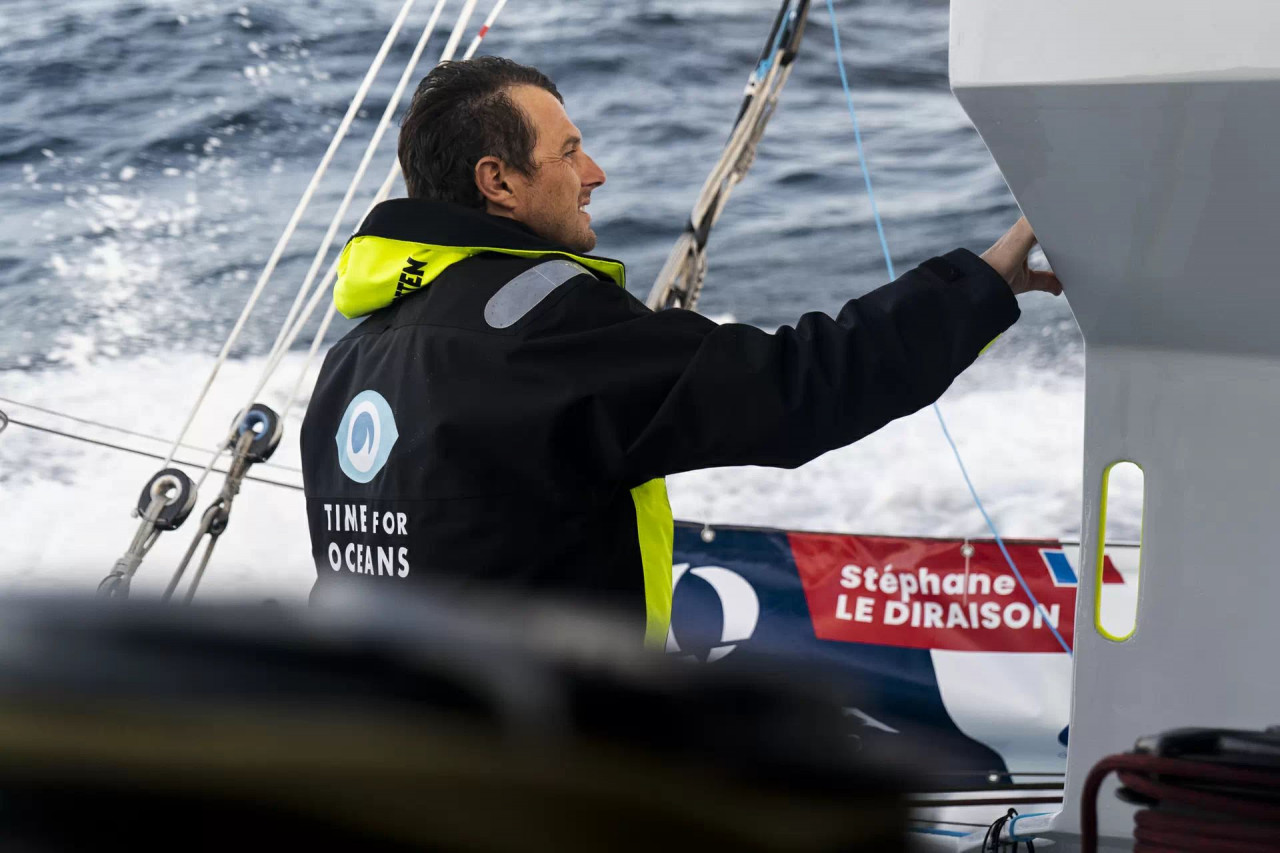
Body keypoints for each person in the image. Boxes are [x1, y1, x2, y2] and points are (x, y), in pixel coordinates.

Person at [299, 57, 1062, 647]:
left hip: (387, 758)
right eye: (568, 153)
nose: (594, 174)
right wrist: (983, 284)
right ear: (497, 182)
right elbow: (802, 388)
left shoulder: (355, 357)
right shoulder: (544, 327)